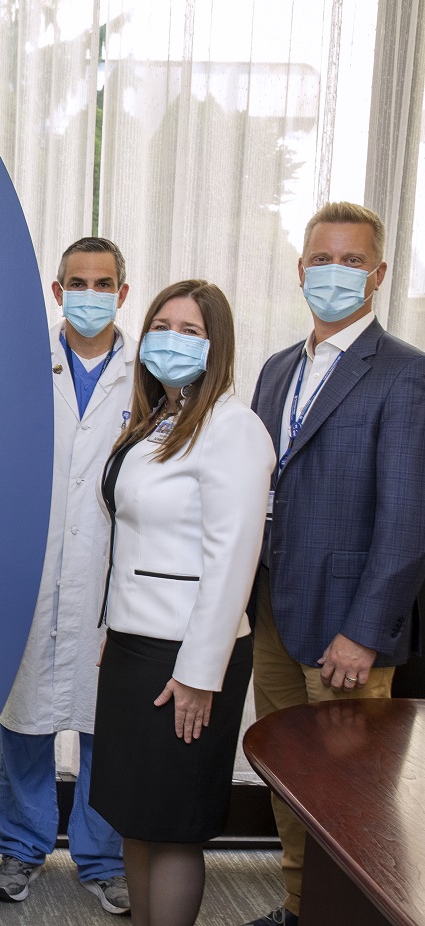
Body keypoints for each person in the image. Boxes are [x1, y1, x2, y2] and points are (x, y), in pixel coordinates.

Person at [243, 202, 425, 926]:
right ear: (300, 270)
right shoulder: (276, 368)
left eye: (353, 262)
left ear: (378, 275)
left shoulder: (405, 375)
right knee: (290, 784)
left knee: (351, 801)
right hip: (275, 620)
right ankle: (297, 908)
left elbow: (407, 524)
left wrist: (364, 631)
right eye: (323, 259)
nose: (335, 273)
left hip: (347, 632)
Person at [89, 280, 274, 926]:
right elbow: (136, 537)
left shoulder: (235, 429)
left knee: (173, 826)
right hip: (137, 648)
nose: (170, 339)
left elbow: (233, 562)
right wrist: (116, 627)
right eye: (161, 325)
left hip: (189, 658)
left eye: (189, 330)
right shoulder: (158, 421)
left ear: (215, 344)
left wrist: (200, 676)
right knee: (138, 818)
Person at [0, 237, 133, 914]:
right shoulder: (20, 362)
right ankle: (20, 849)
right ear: (57, 291)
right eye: (77, 281)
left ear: (123, 294)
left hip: (115, 573)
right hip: (32, 563)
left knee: (111, 721)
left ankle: (104, 859)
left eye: (103, 283)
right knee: (24, 715)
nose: (90, 294)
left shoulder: (149, 372)